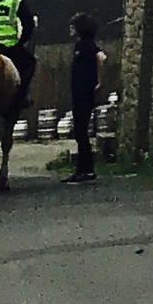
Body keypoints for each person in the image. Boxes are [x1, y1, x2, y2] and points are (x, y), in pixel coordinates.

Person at [61, 15, 106, 183]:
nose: (70, 29)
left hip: (84, 92)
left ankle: (85, 170)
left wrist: (100, 82)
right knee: (80, 131)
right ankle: (84, 169)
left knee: (81, 132)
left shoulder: (86, 45)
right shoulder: (79, 45)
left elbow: (101, 58)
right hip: (79, 91)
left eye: (73, 26)